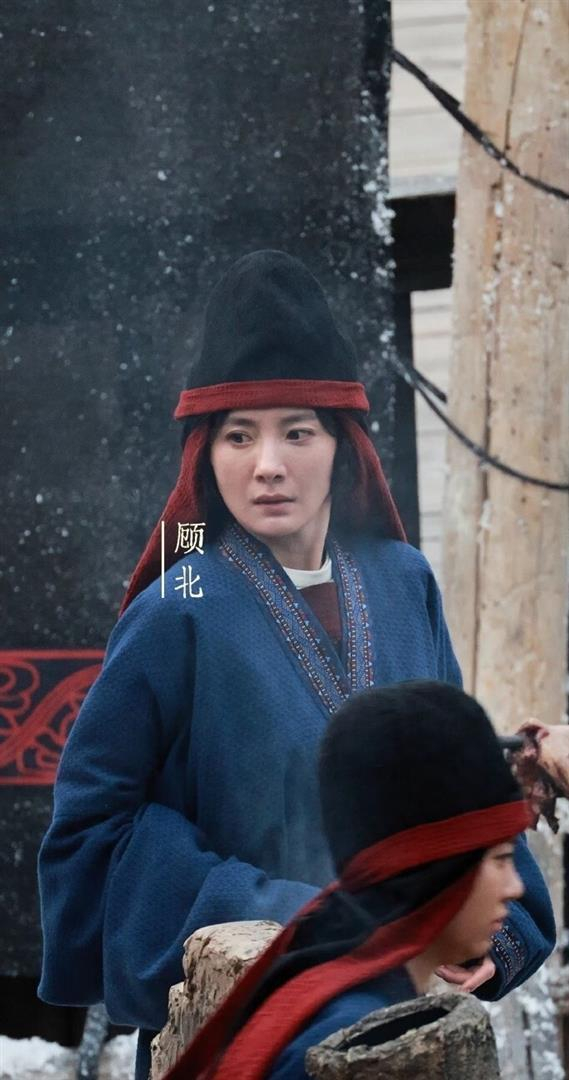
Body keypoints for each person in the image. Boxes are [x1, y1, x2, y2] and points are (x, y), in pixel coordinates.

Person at [37, 252, 554, 1080]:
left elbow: (454, 781)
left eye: (296, 432)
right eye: (238, 435)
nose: (266, 464)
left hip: (408, 1021)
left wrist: (480, 936)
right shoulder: (176, 606)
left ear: (342, 446)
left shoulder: (402, 581)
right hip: (243, 1023)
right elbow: (93, 835)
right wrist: (308, 916)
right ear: (204, 455)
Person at [165, 681, 544, 1080]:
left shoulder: (344, 997)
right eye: (501, 859)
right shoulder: (351, 1049)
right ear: (436, 867)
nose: (516, 887)